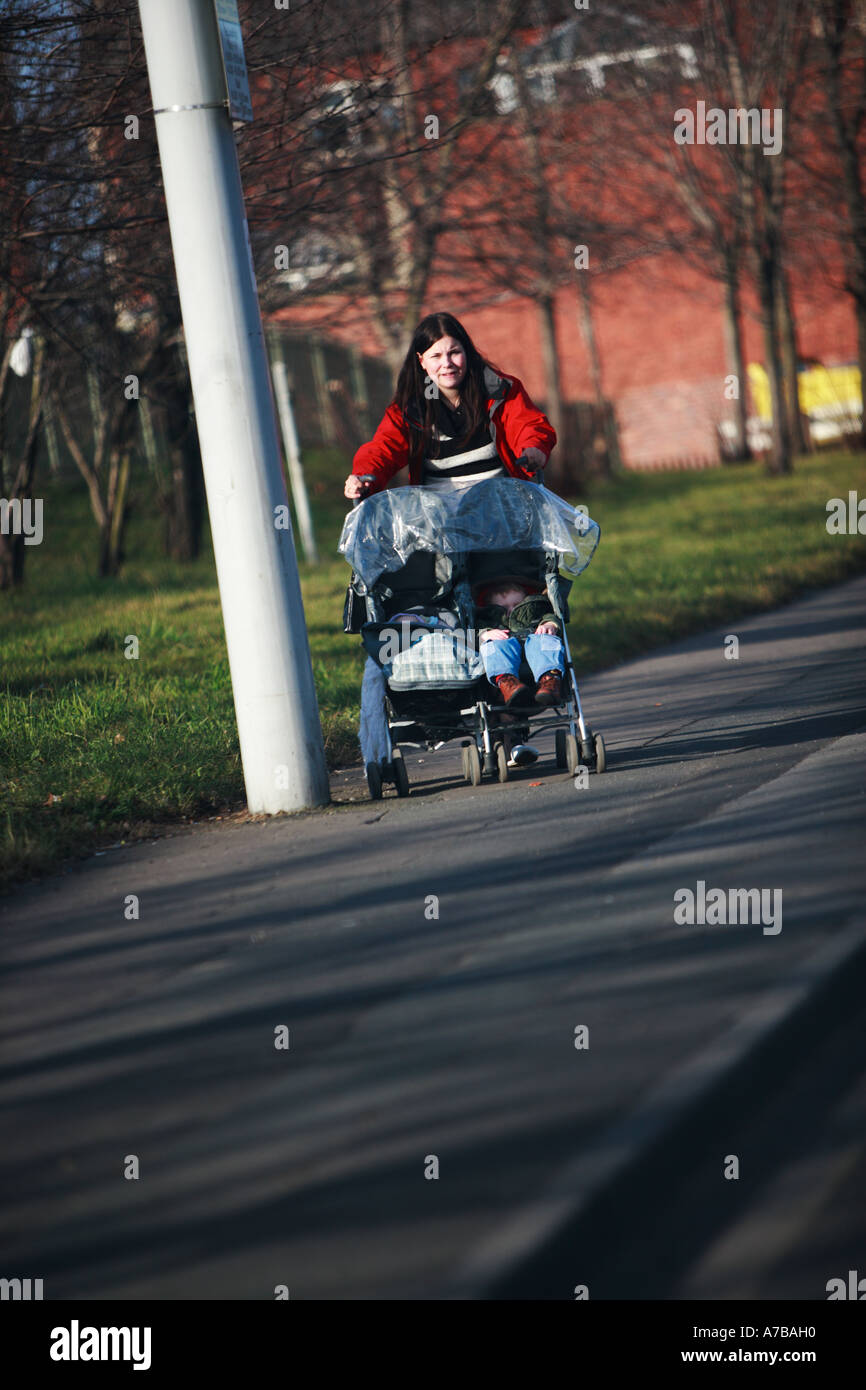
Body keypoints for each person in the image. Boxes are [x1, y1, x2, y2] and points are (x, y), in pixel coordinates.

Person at [343, 311, 556, 500]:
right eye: (436, 355)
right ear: (421, 361)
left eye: (454, 352)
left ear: (467, 353)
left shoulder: (499, 390)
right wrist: (363, 476)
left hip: (503, 517)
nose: (447, 363)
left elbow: (529, 425)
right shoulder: (410, 408)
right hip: (440, 526)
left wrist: (534, 449)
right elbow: (384, 448)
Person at [474, 576, 566, 709]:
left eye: (516, 605)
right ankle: (507, 683)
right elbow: (475, 632)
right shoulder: (488, 619)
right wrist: (485, 634)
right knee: (493, 645)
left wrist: (550, 624)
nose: (511, 610)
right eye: (504, 608)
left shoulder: (534, 612)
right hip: (505, 647)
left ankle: (550, 681)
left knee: (545, 638)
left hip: (534, 645)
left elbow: (548, 616)